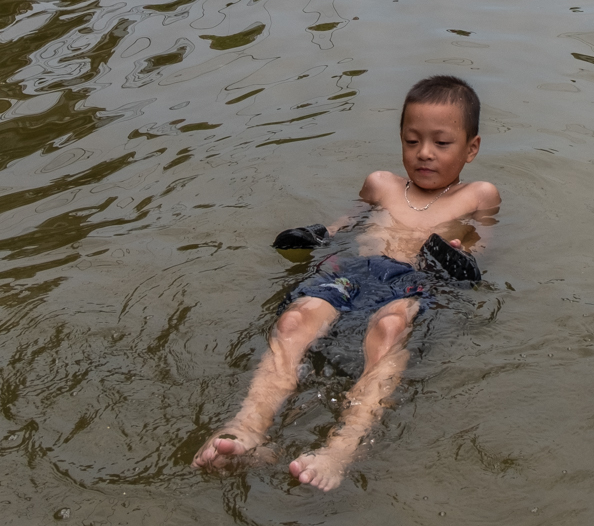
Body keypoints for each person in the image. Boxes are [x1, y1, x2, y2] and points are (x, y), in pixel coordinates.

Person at [192, 76, 500, 491]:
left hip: (413, 280)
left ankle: (342, 447)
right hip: (353, 271)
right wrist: (320, 234)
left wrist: (462, 256)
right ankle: (247, 427)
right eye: (412, 141)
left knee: (389, 330)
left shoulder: (478, 195)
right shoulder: (381, 183)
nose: (424, 153)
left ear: (471, 148)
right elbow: (346, 222)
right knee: (293, 323)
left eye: (441, 143)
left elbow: (481, 248)